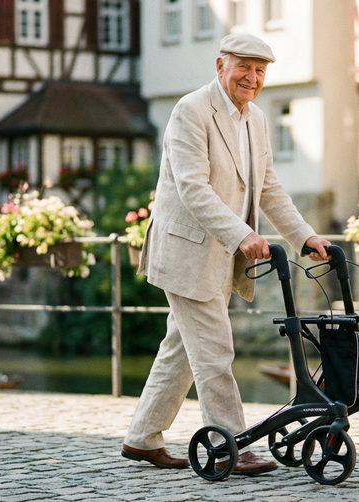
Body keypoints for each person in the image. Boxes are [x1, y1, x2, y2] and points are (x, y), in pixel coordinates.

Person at [121, 33, 331, 476]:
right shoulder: (190, 110)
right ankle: (232, 444)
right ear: (220, 66)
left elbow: (269, 187)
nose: (251, 78)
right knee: (215, 350)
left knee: (180, 350)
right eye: (243, 68)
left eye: (259, 71)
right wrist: (242, 234)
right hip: (186, 253)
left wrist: (304, 237)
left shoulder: (254, 118)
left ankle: (141, 439)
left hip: (220, 254)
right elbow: (192, 187)